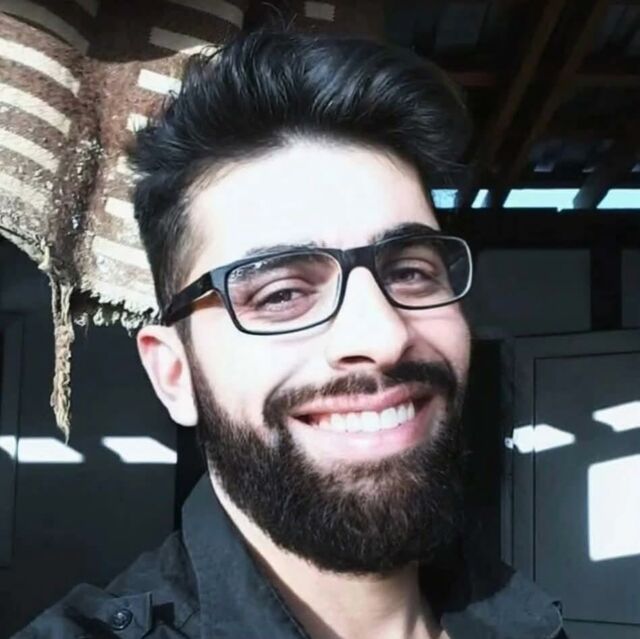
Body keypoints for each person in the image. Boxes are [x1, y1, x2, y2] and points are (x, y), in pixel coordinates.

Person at [13, 29, 567, 639]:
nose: (383, 336)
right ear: (175, 375)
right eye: (280, 293)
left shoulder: (532, 621)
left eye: (410, 272)